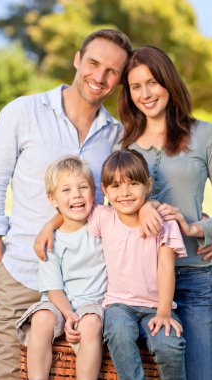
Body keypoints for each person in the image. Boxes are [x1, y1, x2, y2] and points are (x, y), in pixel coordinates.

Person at [0, 28, 132, 380]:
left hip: (87, 281)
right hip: (22, 270)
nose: (99, 77)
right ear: (77, 59)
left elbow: (125, 199)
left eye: (112, 71)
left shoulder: (116, 136)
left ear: (120, 80)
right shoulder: (22, 112)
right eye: (94, 63)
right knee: (7, 371)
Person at [117, 45, 212, 380]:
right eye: (135, 86)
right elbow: (110, 210)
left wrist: (200, 229)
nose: (145, 93)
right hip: (140, 285)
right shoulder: (123, 145)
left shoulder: (206, 135)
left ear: (168, 82)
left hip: (192, 277)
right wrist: (143, 206)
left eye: (152, 82)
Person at [88, 149, 187, 380]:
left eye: (133, 183)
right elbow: (72, 209)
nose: (125, 192)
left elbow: (166, 268)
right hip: (119, 305)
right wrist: (47, 228)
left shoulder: (164, 223)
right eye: (115, 186)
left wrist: (164, 312)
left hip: (157, 305)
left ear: (148, 185)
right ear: (105, 190)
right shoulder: (103, 217)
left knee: (169, 345)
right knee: (118, 333)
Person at [16, 155, 107, 380]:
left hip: (93, 302)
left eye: (83, 187)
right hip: (59, 303)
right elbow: (53, 289)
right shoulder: (50, 241)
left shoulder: (103, 226)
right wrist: (67, 314)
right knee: (41, 318)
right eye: (66, 190)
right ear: (52, 199)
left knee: (90, 323)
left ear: (94, 191)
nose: (76, 194)